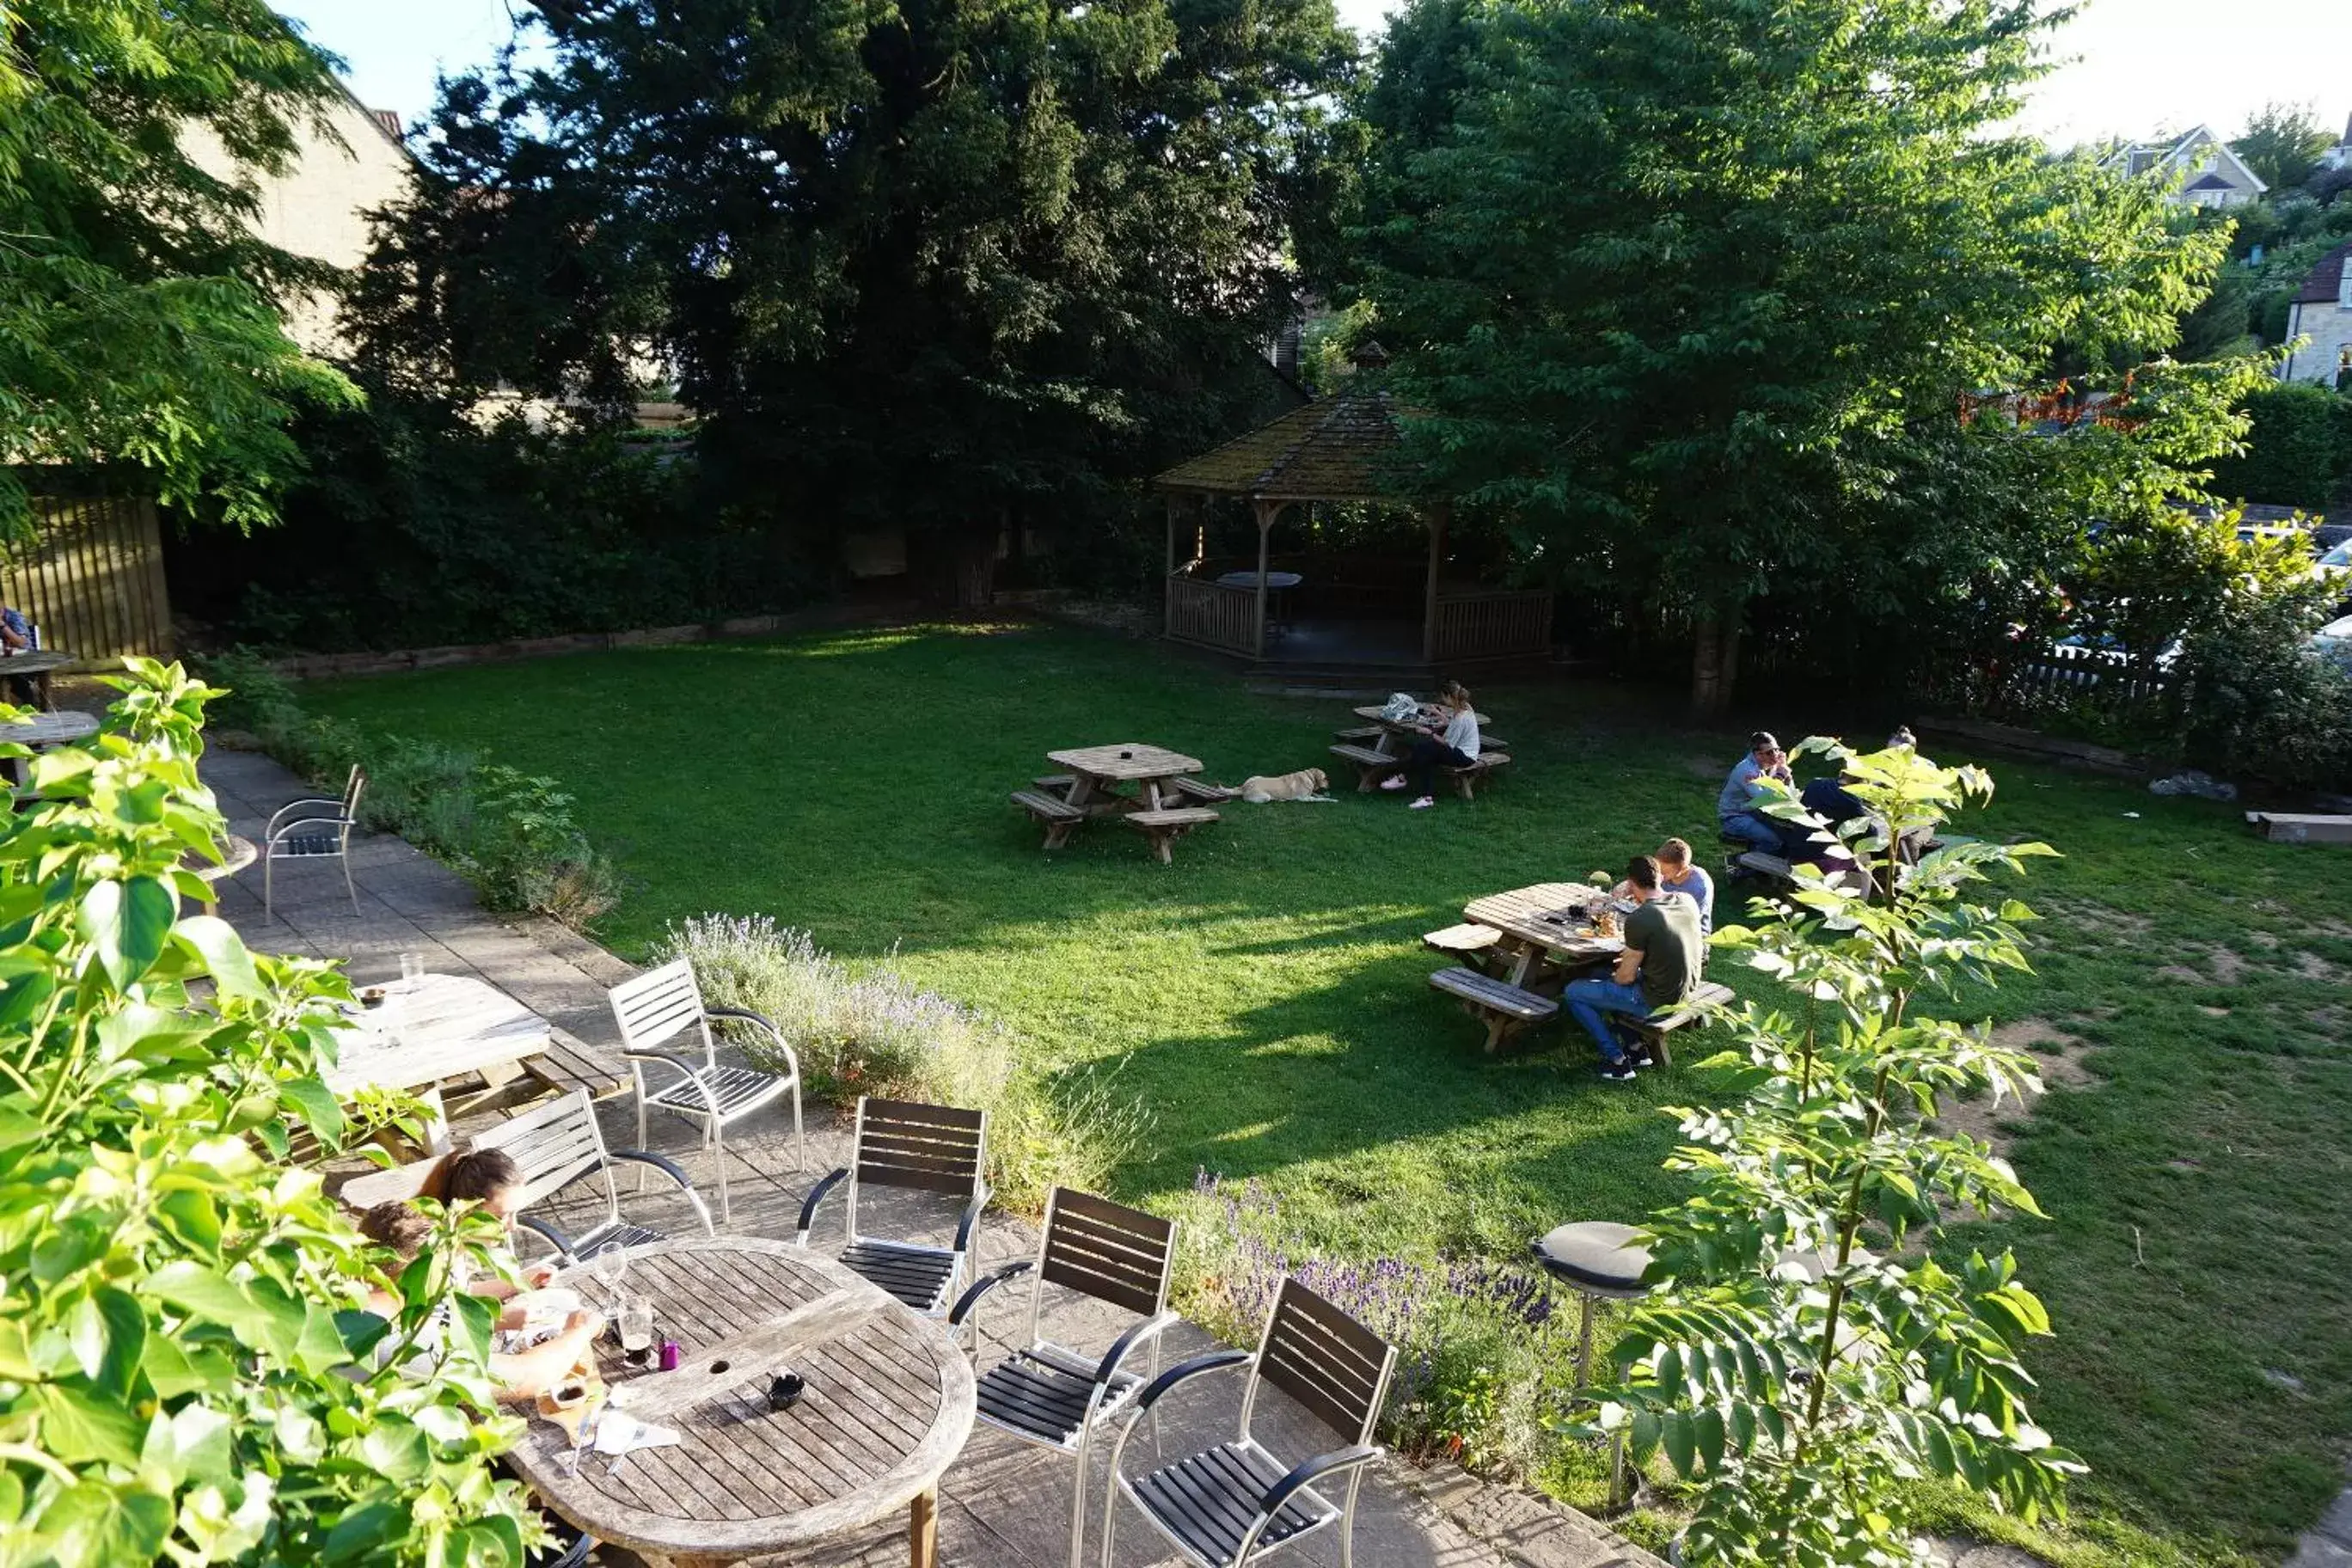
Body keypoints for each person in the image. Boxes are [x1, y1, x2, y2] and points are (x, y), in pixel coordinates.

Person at [355, 1201, 602, 1401]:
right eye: (445, 1269)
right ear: (423, 1274)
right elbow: (526, 1377)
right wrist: (581, 1330)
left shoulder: (347, 1302)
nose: (449, 1279)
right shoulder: (397, 1343)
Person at [1564, 854, 1706, 1082]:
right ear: (1660, 876)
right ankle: (1636, 1046)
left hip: (1658, 1002)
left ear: (1631, 883)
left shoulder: (1641, 918)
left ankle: (1617, 1060)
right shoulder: (1685, 900)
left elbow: (1625, 978)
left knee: (1573, 991)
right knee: (1597, 973)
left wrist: (1616, 976)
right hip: (1685, 989)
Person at [1381, 680, 1479, 811]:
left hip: (1465, 757)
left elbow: (1447, 743)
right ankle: (1425, 797)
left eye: (1444, 697)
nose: (1443, 701)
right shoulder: (1465, 707)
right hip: (1460, 750)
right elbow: (1453, 725)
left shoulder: (1461, 717)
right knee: (1425, 754)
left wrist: (1429, 732)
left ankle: (1402, 778)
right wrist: (1440, 715)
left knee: (1424, 749)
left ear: (1449, 696)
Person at [1717, 732, 1793, 850]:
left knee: (1788, 835)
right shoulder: (1747, 771)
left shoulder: (1763, 766)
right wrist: (1780, 776)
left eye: (1777, 750)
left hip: (1752, 812)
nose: (1775, 755)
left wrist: (1785, 774)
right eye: (1770, 752)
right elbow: (1765, 800)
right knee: (1774, 841)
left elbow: (1783, 793)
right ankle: (1744, 864)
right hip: (1734, 818)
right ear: (1757, 754)